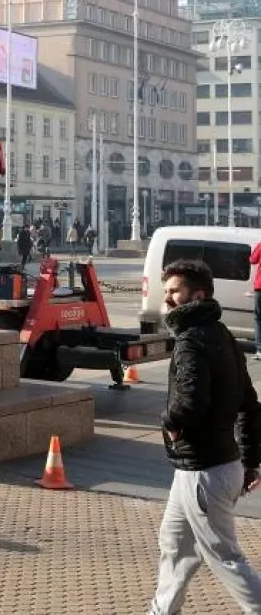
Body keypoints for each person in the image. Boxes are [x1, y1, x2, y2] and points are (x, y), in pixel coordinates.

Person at [147, 258, 261, 615]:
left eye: (174, 291)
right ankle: (162, 610)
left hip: (204, 472)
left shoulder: (191, 340)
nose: (167, 298)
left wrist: (169, 419)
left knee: (224, 557)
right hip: (206, 467)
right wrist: (250, 460)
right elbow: (250, 403)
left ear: (197, 295)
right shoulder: (222, 334)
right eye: (165, 291)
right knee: (175, 545)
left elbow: (190, 401)